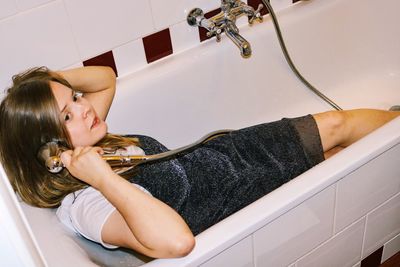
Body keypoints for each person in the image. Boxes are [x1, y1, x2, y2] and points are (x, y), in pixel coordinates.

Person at [0, 66, 398, 259]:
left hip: (229, 157)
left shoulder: (91, 136)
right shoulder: (86, 203)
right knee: (339, 139)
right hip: (242, 191)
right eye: (67, 116)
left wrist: (41, 85)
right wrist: (103, 179)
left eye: (75, 97)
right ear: (48, 150)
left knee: (337, 129)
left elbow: (105, 78)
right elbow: (176, 242)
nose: (84, 108)